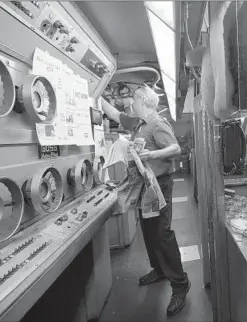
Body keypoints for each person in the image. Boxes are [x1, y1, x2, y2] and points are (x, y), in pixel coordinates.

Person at [101, 86, 190, 316]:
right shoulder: (138, 123)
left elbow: (176, 149)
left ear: (143, 100)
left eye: (133, 101)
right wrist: (95, 93)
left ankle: (180, 284)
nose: (130, 105)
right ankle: (159, 269)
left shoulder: (157, 123)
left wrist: (153, 155)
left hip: (160, 184)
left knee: (162, 232)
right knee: (149, 230)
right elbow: (112, 112)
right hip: (144, 184)